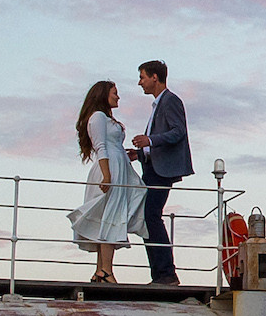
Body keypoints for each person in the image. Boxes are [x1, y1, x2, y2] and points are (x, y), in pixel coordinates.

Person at [67, 79, 141, 283]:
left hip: (117, 165)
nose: (118, 96)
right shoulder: (98, 117)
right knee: (111, 216)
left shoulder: (105, 118)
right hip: (109, 168)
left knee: (110, 216)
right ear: (103, 95)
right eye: (114, 93)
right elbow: (101, 146)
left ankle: (101, 269)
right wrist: (107, 175)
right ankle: (106, 270)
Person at [128, 60, 192, 285]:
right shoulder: (159, 103)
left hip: (161, 172)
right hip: (153, 168)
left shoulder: (170, 101)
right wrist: (140, 153)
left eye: (142, 77)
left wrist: (150, 140)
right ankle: (160, 273)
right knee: (149, 217)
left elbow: (178, 132)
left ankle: (166, 273)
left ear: (155, 77)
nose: (140, 82)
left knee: (152, 216)